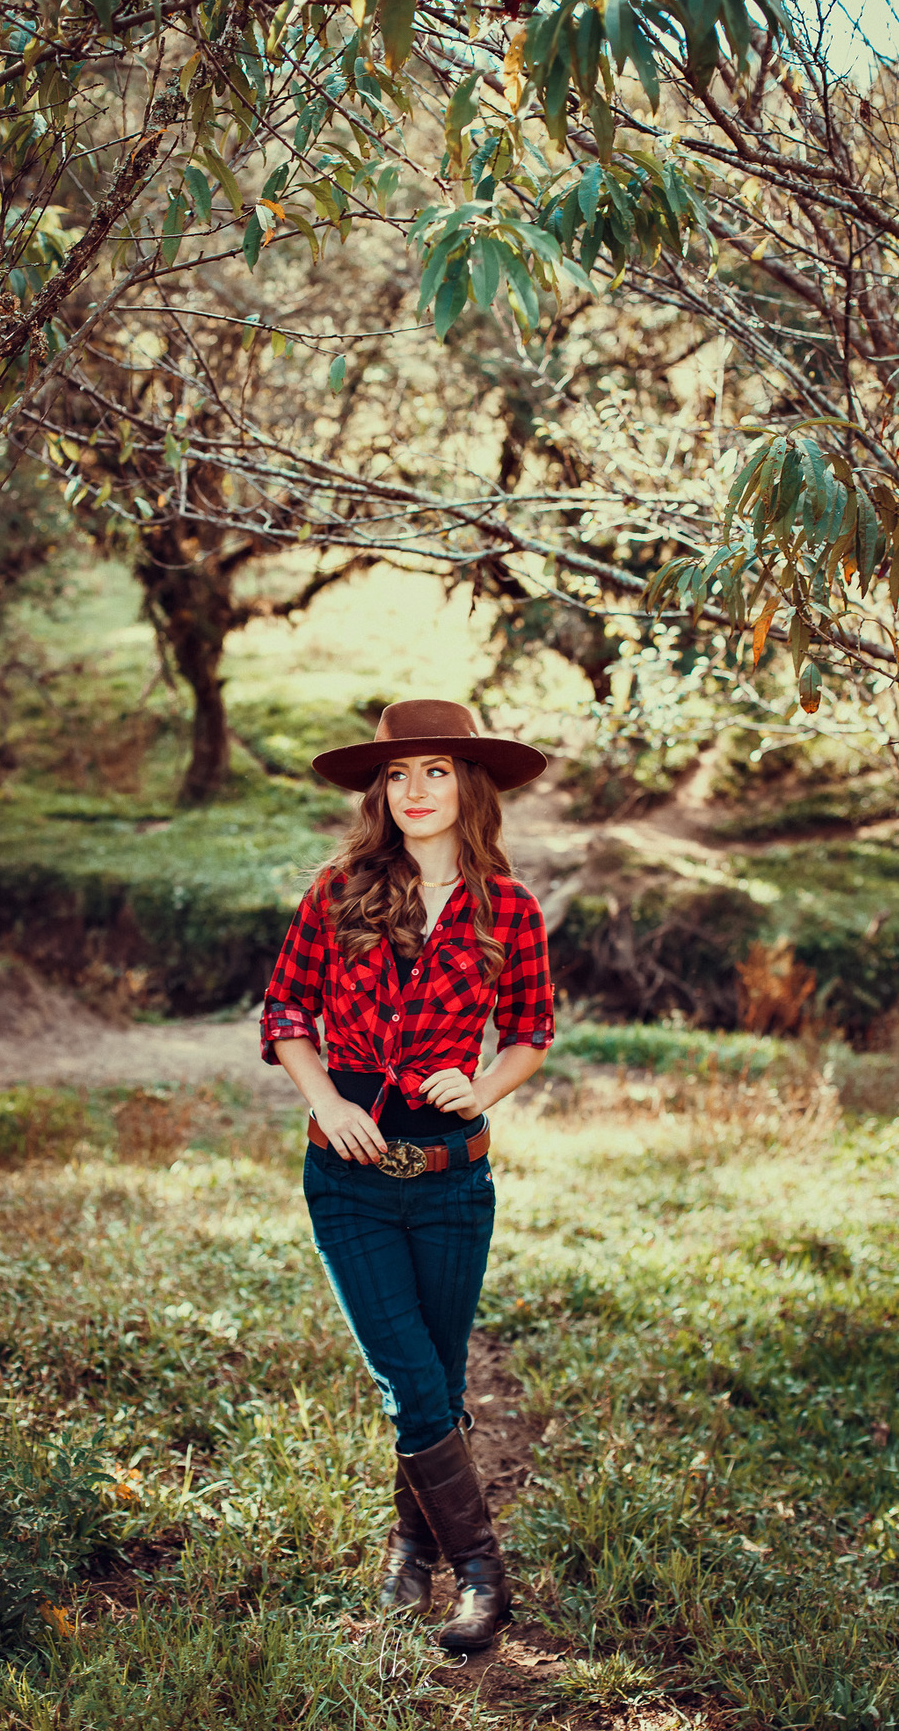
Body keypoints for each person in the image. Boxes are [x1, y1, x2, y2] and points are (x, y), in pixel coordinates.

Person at [259, 698, 554, 1651]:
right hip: (347, 1178)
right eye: (398, 774)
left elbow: (531, 1032)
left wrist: (482, 1087)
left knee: (436, 1377)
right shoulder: (339, 890)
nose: (415, 790)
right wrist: (328, 1102)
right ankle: (482, 1573)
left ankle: (409, 1552)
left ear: (469, 787)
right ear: (380, 791)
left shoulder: (510, 907)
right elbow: (284, 1013)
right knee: (408, 1373)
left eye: (435, 772)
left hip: (452, 1181)